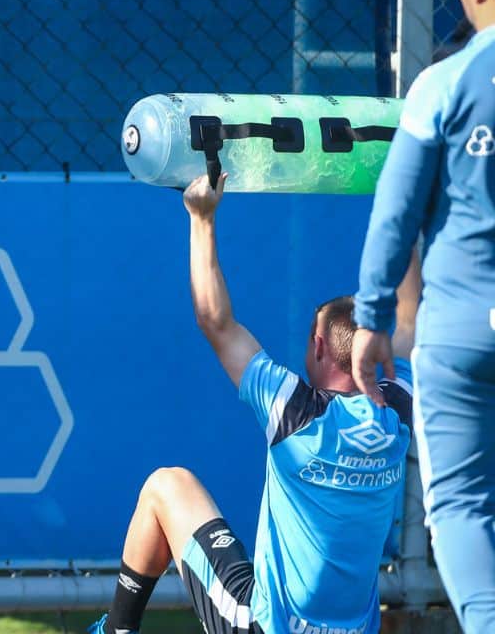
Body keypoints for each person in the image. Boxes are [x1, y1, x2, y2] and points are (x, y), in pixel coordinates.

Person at [89, 174, 416, 634]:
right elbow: (407, 322)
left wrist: (201, 217)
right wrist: (411, 196)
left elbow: (215, 321)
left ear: (318, 345)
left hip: (262, 627)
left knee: (166, 486)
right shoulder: (396, 415)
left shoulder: (294, 411)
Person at [351, 0, 495, 630]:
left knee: (462, 507)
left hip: (462, 332)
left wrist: (374, 319)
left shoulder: (444, 83)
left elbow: (396, 212)